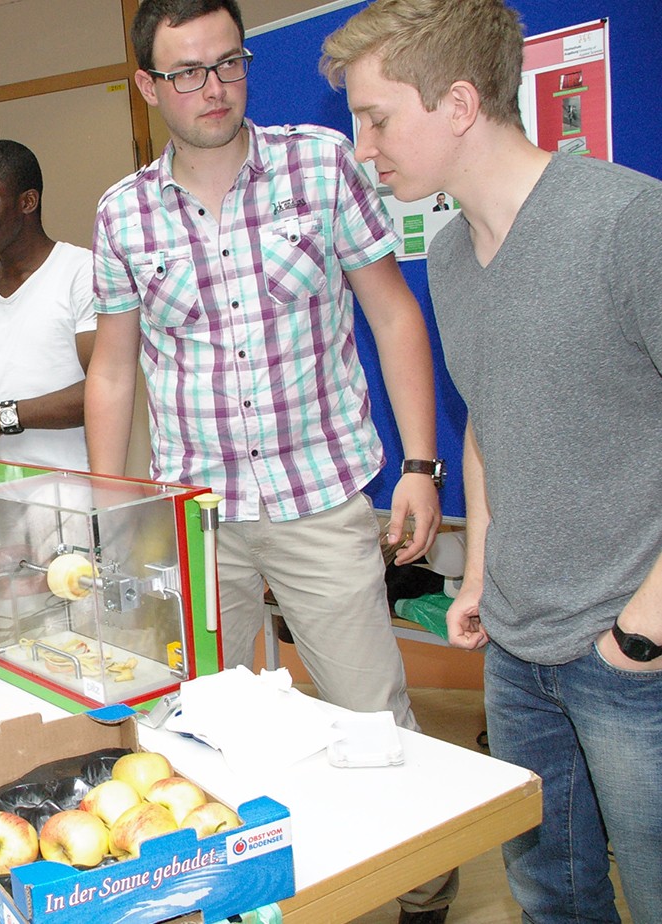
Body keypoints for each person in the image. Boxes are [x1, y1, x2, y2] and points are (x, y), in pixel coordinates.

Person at [86, 2, 453, 919]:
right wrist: (107, 513)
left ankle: (423, 892)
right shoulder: (123, 213)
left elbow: (391, 313)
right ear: (147, 86)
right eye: (185, 72)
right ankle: (227, 895)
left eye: (227, 63)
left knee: (372, 720)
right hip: (196, 519)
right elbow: (114, 370)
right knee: (188, 733)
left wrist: (419, 465)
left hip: (318, 500)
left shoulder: (319, 164)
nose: (211, 88)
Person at [323, 2, 662, 921]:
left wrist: (639, 633)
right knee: (549, 893)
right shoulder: (448, 257)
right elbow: (487, 420)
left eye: (376, 118)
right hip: (516, 647)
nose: (362, 148)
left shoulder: (628, 220)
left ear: (461, 104)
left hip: (632, 654)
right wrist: (478, 572)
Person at [0, 140, 97, 469]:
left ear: (27, 201)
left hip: (74, 492)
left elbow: (103, 390)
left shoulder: (82, 274)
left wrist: (1, 417)